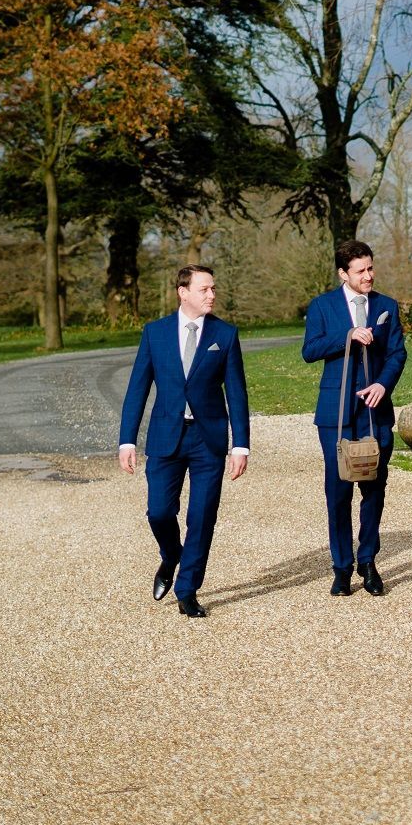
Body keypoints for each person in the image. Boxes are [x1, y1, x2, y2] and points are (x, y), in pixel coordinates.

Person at [118, 264, 250, 620]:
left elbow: (237, 394)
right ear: (183, 292)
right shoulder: (155, 333)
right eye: (204, 289)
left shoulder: (225, 334)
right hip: (166, 437)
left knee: (202, 516)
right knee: (159, 511)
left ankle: (188, 589)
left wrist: (241, 445)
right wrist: (126, 440)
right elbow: (137, 389)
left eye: (213, 289)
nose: (211, 295)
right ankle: (170, 554)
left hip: (208, 439)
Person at [301, 240, 407, 597]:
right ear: (343, 273)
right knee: (338, 491)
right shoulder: (322, 306)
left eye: (371, 268)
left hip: (375, 413)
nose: (368, 276)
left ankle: (368, 562)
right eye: (360, 270)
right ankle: (341, 567)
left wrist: (382, 384)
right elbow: (309, 350)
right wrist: (345, 336)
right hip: (336, 415)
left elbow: (397, 353)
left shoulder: (386, 306)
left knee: (374, 488)